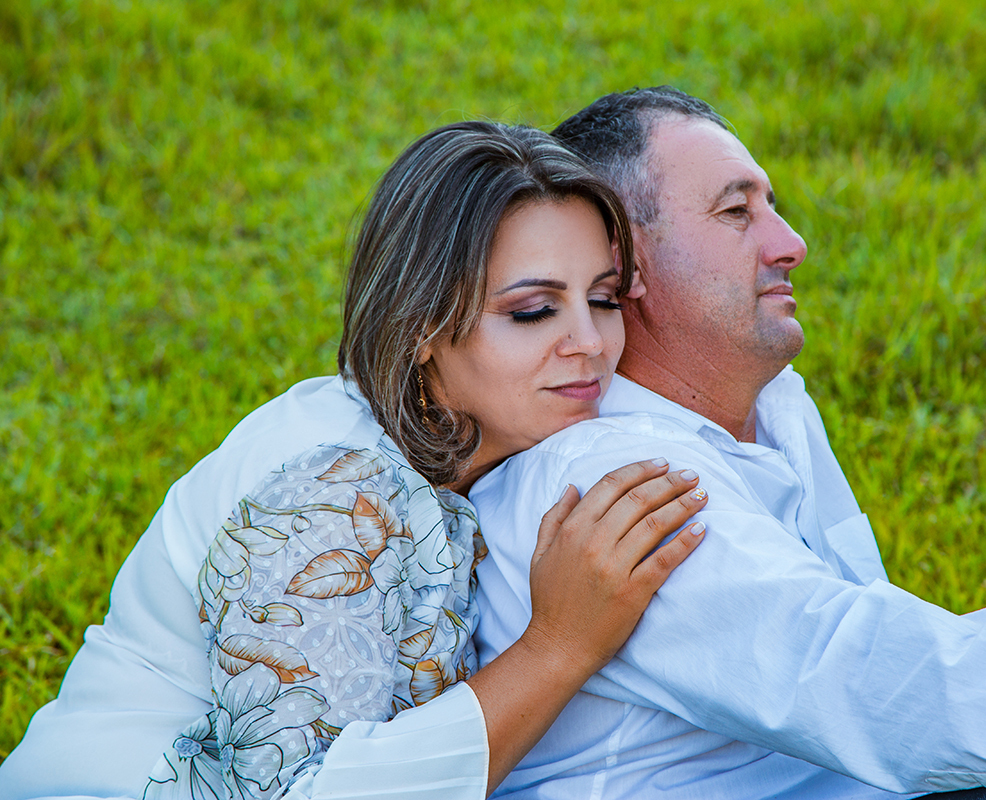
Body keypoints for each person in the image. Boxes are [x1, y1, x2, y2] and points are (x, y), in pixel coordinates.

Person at [469, 87, 986, 800]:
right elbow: (851, 667)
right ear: (621, 263)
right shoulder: (617, 482)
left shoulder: (771, 403)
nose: (791, 244)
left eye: (773, 206)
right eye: (736, 212)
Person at [0, 121, 711, 800]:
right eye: (532, 311)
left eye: (605, 298)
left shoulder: (473, 437)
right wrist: (558, 646)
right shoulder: (330, 495)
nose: (589, 341)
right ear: (422, 324)